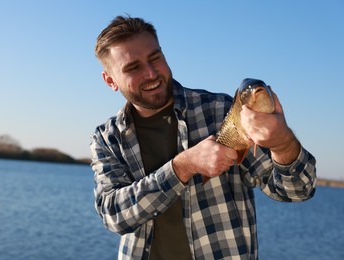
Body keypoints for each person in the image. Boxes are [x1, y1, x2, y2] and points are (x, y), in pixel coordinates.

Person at [90, 15, 316, 260]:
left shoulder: (221, 112)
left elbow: (298, 191)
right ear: (110, 80)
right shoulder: (107, 138)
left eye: (155, 58)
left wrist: (282, 143)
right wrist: (183, 166)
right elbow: (113, 215)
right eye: (133, 67)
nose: (151, 73)